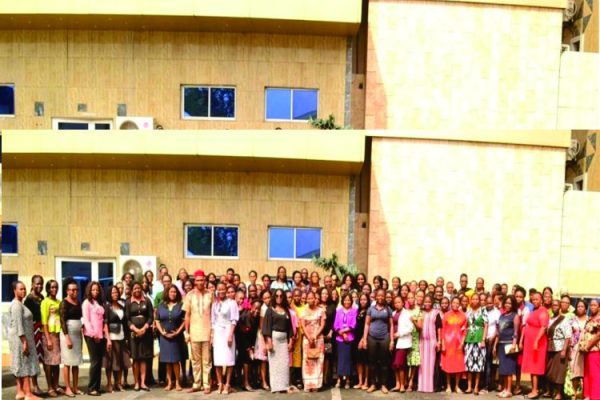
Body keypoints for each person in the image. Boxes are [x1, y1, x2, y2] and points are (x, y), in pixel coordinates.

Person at [9, 281, 42, 400]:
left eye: (24, 289)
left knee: (20, 364)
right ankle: (28, 394)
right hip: (21, 338)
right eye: (20, 289)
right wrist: (24, 341)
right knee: (25, 364)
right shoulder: (17, 305)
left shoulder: (18, 304)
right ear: (15, 290)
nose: (23, 291)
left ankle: (20, 392)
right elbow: (18, 324)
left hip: (21, 338)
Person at [183, 270, 213, 394]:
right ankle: (196, 383)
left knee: (207, 360)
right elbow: (187, 315)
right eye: (198, 280)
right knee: (195, 360)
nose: (200, 282)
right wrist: (186, 332)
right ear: (195, 281)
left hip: (207, 331)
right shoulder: (189, 295)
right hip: (194, 332)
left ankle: (206, 384)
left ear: (205, 281)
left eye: (202, 280)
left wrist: (213, 332)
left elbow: (214, 314)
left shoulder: (210, 294)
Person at [361, 288, 393, 394]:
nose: (380, 297)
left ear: (384, 296)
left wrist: (392, 340)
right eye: (378, 295)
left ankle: (383, 385)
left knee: (384, 362)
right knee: (372, 362)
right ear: (375, 296)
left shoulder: (388, 309)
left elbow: (391, 325)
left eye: (382, 295)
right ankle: (373, 384)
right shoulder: (371, 309)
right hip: (372, 337)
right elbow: (367, 324)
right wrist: (365, 339)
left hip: (384, 337)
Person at [263, 288, 294, 393]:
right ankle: (275, 387)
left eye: (281, 296)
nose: (279, 298)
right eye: (277, 296)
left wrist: (290, 342)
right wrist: (269, 342)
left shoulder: (287, 311)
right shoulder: (270, 310)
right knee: (274, 365)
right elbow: (267, 327)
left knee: (284, 364)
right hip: (274, 340)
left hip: (284, 341)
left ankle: (284, 386)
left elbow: (290, 328)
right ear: (274, 297)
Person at [156, 285, 186, 391]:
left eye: (174, 292)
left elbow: (184, 320)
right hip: (164, 337)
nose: (172, 293)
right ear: (167, 293)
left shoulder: (180, 305)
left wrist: (178, 331)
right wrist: (162, 332)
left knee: (175, 361)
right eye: (171, 292)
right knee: (167, 361)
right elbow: (157, 320)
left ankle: (177, 382)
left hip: (176, 337)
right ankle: (169, 382)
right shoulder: (161, 305)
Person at [211, 282, 239, 394]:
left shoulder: (232, 303)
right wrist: (212, 336)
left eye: (223, 289)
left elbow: (234, 320)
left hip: (228, 331)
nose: (221, 291)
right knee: (217, 360)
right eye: (219, 289)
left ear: (226, 290)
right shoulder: (215, 304)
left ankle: (227, 384)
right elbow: (213, 321)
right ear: (217, 290)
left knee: (229, 359)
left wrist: (230, 334)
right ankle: (220, 384)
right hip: (218, 331)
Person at [125, 281, 154, 392]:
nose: (137, 290)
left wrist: (144, 328)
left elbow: (151, 317)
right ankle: (136, 383)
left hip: (145, 333)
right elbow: (126, 319)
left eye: (138, 288)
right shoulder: (128, 302)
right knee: (136, 358)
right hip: (133, 334)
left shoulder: (147, 301)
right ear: (132, 290)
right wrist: (135, 329)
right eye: (135, 288)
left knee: (143, 358)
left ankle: (143, 382)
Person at [521, 292, 549, 399]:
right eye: (533, 300)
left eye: (537, 299)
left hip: (538, 342)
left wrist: (537, 340)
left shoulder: (543, 311)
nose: (535, 301)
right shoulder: (534, 310)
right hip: (530, 341)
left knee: (536, 367)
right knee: (532, 366)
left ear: (541, 299)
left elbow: (543, 327)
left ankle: (535, 390)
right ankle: (534, 389)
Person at [103, 286, 130, 393]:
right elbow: (105, 323)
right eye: (113, 292)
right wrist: (108, 339)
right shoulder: (107, 306)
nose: (115, 294)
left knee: (120, 361)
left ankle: (118, 383)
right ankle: (109, 384)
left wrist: (127, 338)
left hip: (121, 337)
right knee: (110, 363)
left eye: (116, 292)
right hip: (111, 338)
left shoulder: (121, 305)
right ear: (109, 294)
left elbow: (124, 322)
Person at [59, 278, 84, 397]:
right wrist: (67, 337)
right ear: (67, 291)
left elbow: (81, 318)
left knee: (76, 362)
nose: (75, 292)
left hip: (78, 335)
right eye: (72, 290)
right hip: (67, 334)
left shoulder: (78, 302)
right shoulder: (64, 303)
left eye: (76, 290)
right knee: (67, 362)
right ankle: (68, 388)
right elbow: (62, 321)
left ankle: (75, 387)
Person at [81, 281, 106, 396]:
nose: (95, 292)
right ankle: (91, 388)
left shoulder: (99, 302)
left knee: (99, 361)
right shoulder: (86, 303)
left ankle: (97, 386)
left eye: (97, 290)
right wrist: (93, 334)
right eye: (93, 290)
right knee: (94, 361)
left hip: (100, 335)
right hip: (91, 335)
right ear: (89, 291)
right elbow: (86, 320)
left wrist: (101, 334)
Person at [546, 299, 572, 400]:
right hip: (551, 347)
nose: (554, 306)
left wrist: (564, 350)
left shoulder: (564, 319)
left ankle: (559, 394)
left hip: (560, 348)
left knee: (559, 372)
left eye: (557, 305)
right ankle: (552, 391)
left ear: (560, 306)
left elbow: (568, 336)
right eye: (553, 305)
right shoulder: (551, 319)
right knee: (551, 371)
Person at [495, 295, 520, 398]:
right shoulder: (502, 316)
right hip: (501, 344)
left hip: (509, 344)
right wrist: (495, 345)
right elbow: (498, 332)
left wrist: (514, 345)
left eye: (510, 303)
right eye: (506, 302)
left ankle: (509, 390)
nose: (507, 305)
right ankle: (505, 389)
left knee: (509, 369)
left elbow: (516, 332)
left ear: (513, 304)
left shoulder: (515, 316)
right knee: (503, 369)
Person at [301, 290, 326, 392]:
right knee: (307, 361)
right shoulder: (304, 310)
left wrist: (315, 335)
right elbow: (303, 325)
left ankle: (316, 385)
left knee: (318, 361)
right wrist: (309, 337)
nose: (310, 300)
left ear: (315, 299)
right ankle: (308, 385)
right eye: (309, 298)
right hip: (307, 339)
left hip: (318, 338)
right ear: (306, 299)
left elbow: (322, 324)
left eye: (312, 298)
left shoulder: (321, 310)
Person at [464, 292, 488, 395]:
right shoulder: (468, 311)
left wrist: (483, 339)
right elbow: (465, 325)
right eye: (473, 299)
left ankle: (476, 387)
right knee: (469, 364)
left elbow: (486, 325)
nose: (475, 301)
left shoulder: (483, 310)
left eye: (477, 299)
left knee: (479, 364)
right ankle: (469, 387)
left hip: (479, 339)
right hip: (469, 339)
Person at [40, 280, 61, 397]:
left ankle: (56, 385)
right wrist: (47, 339)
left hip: (57, 334)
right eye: (52, 287)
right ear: (48, 289)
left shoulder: (59, 301)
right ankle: (49, 387)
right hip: (49, 334)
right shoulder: (45, 302)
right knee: (48, 362)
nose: (54, 289)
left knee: (56, 362)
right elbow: (44, 322)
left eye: (56, 287)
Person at [24, 275, 44, 395]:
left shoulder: (41, 297)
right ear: (32, 284)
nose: (39, 286)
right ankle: (35, 386)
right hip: (32, 330)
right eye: (37, 283)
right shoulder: (29, 299)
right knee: (33, 358)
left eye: (41, 284)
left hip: (41, 329)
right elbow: (26, 318)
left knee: (40, 358)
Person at [442, 297, 467, 393]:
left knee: (458, 365)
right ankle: (448, 385)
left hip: (458, 344)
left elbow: (465, 330)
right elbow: (443, 330)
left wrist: (462, 343)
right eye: (454, 302)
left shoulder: (463, 316)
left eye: (457, 303)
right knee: (448, 365)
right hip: (448, 344)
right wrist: (443, 343)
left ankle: (457, 386)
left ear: (460, 304)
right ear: (451, 304)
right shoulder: (446, 315)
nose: (455, 304)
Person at [333, 294, 357, 389]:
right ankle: (339, 379)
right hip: (340, 338)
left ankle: (347, 380)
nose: (347, 302)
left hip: (350, 338)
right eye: (345, 300)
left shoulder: (354, 311)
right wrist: (342, 333)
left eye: (349, 300)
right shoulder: (338, 311)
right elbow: (336, 324)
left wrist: (345, 331)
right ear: (342, 301)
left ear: (351, 301)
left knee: (348, 359)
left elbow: (353, 324)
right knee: (340, 359)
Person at [235, 299, 260, 391]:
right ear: (251, 307)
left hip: (248, 341)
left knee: (247, 360)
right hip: (240, 340)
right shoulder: (245, 317)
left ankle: (243, 382)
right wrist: (248, 348)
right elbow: (242, 334)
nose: (257, 310)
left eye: (259, 309)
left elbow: (253, 334)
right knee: (246, 359)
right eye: (255, 308)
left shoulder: (256, 318)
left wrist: (252, 346)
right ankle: (245, 383)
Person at [566, 299, 588, 400]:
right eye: (578, 306)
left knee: (585, 372)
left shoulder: (589, 320)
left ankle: (584, 393)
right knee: (575, 372)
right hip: (574, 349)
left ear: (585, 308)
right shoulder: (572, 320)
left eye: (582, 306)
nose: (580, 308)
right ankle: (574, 394)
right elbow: (568, 334)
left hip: (586, 349)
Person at [391, 295, 413, 393]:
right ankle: (397, 384)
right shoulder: (393, 313)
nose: (397, 304)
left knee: (399, 363)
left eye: (399, 302)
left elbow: (410, 328)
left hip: (403, 341)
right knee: (394, 364)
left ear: (403, 303)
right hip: (393, 341)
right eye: (395, 302)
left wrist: (399, 334)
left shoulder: (407, 313)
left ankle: (403, 385)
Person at [418, 294, 439, 393]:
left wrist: (439, 342)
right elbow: (418, 327)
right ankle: (421, 386)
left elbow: (439, 328)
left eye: (429, 302)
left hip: (432, 341)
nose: (427, 303)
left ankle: (430, 387)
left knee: (431, 364)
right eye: (425, 301)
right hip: (422, 341)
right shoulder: (420, 312)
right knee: (422, 364)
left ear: (432, 303)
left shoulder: (436, 313)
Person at [581, 298, 600, 400]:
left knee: (595, 373)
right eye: (591, 305)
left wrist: (587, 346)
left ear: (599, 307)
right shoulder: (590, 318)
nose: (592, 307)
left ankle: (596, 396)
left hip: (595, 350)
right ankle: (587, 395)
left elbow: (598, 336)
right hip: (587, 350)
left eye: (595, 305)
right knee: (587, 373)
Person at [319, 287, 336, 386]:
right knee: (319, 356)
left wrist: (330, 332)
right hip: (319, 334)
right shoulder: (317, 306)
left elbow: (334, 321)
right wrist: (320, 334)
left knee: (327, 357)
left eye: (326, 294)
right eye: (322, 294)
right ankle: (319, 377)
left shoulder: (332, 306)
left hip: (329, 335)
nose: (324, 295)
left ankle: (325, 377)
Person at [484, 293, 501, 393]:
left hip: (492, 340)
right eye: (487, 303)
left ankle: (488, 385)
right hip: (483, 340)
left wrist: (492, 338)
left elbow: (498, 328)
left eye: (490, 303)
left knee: (490, 363)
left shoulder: (497, 313)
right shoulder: (483, 311)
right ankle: (484, 383)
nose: (489, 304)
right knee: (484, 363)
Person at [406, 291, 423, 392]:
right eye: (409, 297)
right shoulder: (405, 311)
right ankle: (405, 381)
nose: (411, 299)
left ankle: (411, 382)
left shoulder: (418, 311)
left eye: (412, 297)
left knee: (413, 362)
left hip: (415, 338)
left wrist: (414, 321)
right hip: (405, 338)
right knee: (406, 361)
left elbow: (420, 328)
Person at [354, 293, 370, 389]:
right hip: (357, 338)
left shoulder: (369, 311)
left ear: (368, 301)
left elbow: (367, 326)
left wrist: (363, 339)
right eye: (361, 299)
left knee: (366, 361)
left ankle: (366, 382)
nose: (363, 301)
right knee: (359, 361)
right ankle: (360, 382)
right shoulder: (358, 310)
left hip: (365, 338)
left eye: (365, 299)